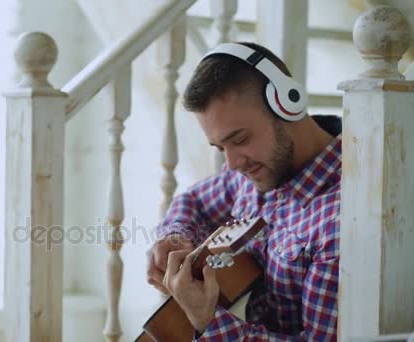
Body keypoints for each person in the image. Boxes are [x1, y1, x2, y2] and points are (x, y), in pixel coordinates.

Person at [146, 42, 341, 341]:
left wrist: (208, 319)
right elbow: (194, 200)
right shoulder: (255, 172)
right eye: (220, 147)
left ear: (288, 104)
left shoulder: (340, 221)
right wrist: (173, 234)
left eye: (240, 138)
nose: (233, 163)